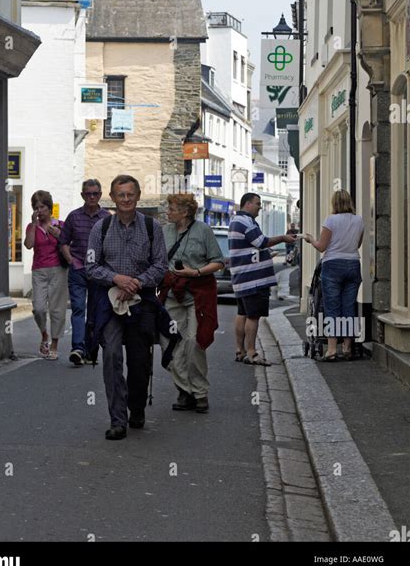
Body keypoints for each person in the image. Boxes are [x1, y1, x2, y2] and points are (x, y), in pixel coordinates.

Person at [86, 175, 168, 440]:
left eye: (130, 194)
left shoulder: (152, 227)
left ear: (138, 195)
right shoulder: (101, 228)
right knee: (111, 355)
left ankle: (137, 407)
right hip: (110, 303)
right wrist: (116, 279)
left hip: (141, 302)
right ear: (112, 196)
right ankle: (117, 419)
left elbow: (160, 266)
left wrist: (135, 283)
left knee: (139, 361)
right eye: (120, 195)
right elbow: (90, 266)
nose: (125, 199)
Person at [157, 193, 224, 413]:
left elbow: (218, 262)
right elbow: (156, 261)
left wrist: (194, 272)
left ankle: (200, 392)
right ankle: (184, 390)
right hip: (171, 294)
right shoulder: (164, 231)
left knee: (195, 342)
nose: (168, 212)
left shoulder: (203, 231)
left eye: (172, 208)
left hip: (198, 294)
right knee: (171, 343)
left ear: (185, 212)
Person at [228, 193, 297, 365]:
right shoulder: (246, 221)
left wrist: (265, 255)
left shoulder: (236, 221)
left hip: (241, 277)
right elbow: (261, 242)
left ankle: (240, 350)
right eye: (257, 204)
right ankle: (252, 352)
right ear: (248, 204)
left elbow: (250, 249)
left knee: (242, 313)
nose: (260, 207)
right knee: (253, 316)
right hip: (254, 278)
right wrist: (282, 238)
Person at [304, 189, 364, 361]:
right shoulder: (359, 220)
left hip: (333, 265)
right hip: (353, 264)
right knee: (349, 307)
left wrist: (310, 239)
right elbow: (357, 244)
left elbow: (322, 246)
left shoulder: (331, 220)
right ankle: (347, 347)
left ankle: (331, 350)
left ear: (334, 203)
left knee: (332, 307)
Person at [59, 179, 110, 366]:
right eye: (88, 193)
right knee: (78, 309)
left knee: (95, 312)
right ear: (82, 195)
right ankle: (78, 349)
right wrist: (71, 261)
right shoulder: (73, 217)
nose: (92, 197)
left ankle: (91, 349)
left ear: (100, 195)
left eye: (95, 193)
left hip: (98, 271)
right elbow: (63, 242)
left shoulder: (107, 218)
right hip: (78, 269)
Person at [24, 190, 68, 360]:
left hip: (58, 268)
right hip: (39, 270)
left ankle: (54, 344)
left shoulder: (59, 225)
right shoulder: (32, 226)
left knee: (57, 308)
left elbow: (69, 243)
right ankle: (44, 334)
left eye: (42, 206)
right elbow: (28, 245)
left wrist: (59, 235)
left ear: (49, 207)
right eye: (36, 207)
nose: (39, 210)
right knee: (39, 308)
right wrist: (33, 224)